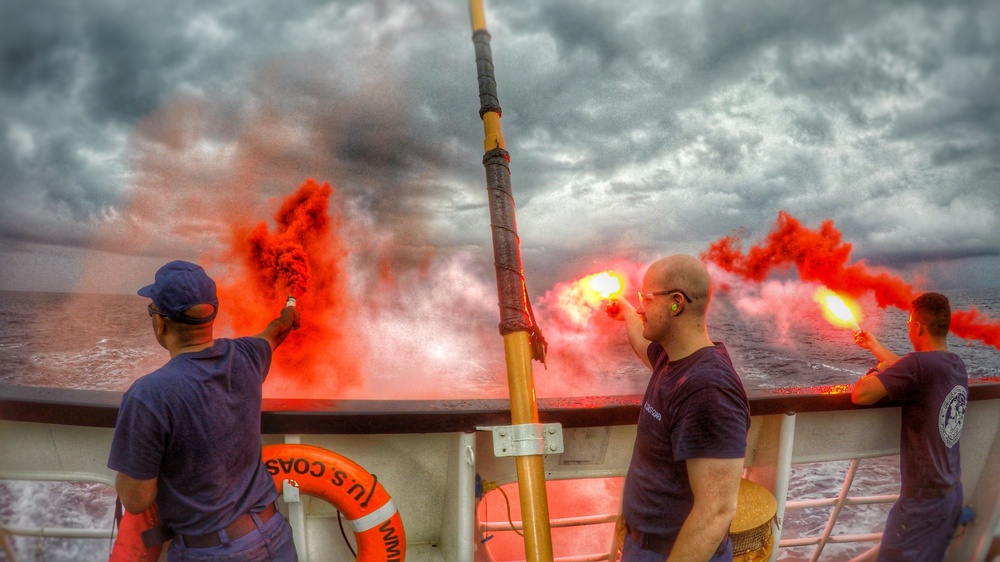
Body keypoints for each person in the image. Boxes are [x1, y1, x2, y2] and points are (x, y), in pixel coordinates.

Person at [108, 260, 301, 561]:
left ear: (160, 322)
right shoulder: (248, 356)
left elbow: (135, 500)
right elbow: (276, 332)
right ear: (211, 313)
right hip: (274, 536)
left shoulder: (149, 394)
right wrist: (290, 312)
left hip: (213, 552)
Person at [611, 255, 750, 561]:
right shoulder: (670, 359)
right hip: (644, 546)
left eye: (646, 298)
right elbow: (638, 339)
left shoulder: (707, 389)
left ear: (676, 303)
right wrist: (622, 308)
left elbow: (715, 512)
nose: (640, 307)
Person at [851, 292, 968, 561]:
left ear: (917, 327)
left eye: (908, 324)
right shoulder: (954, 364)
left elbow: (861, 394)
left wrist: (878, 371)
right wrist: (874, 345)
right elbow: (915, 371)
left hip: (921, 505)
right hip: (949, 496)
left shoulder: (919, 366)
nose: (908, 329)